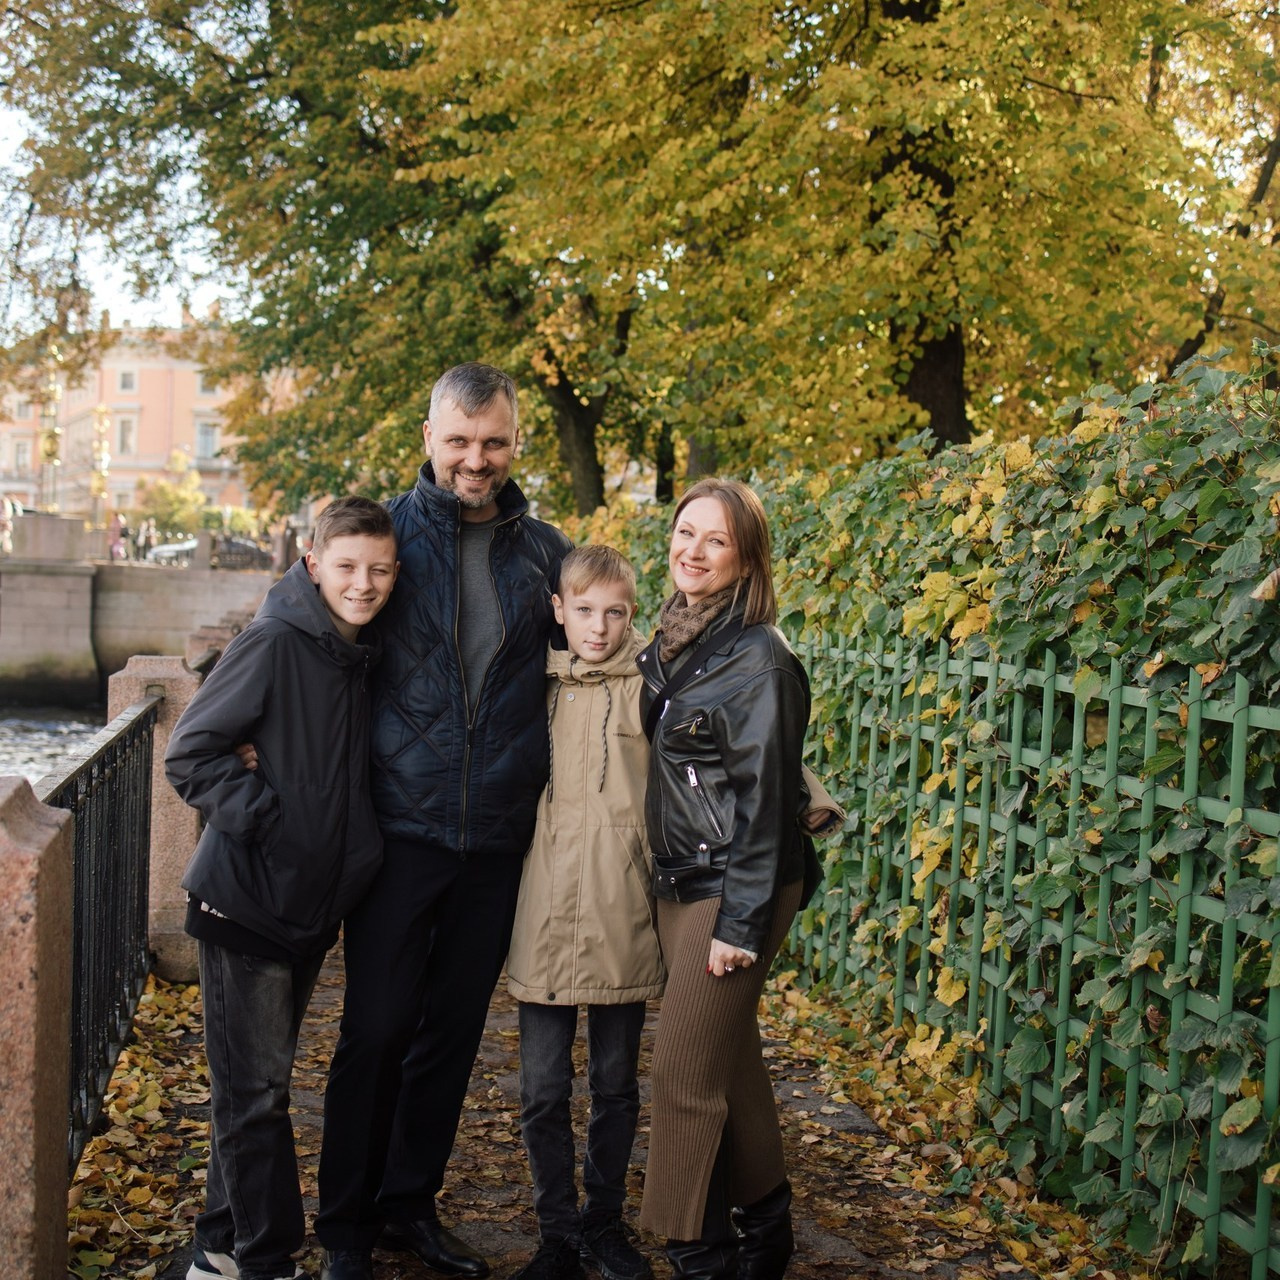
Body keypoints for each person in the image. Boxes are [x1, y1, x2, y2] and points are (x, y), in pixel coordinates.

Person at [317, 363, 572, 1280]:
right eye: (460, 441)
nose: (477, 459)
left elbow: (600, 657)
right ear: (428, 436)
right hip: (398, 831)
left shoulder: (546, 553)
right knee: (377, 1028)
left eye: (494, 442)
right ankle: (343, 1228)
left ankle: (405, 1208)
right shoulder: (383, 539)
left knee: (452, 1036)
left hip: (498, 837)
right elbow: (304, 631)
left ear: (514, 443)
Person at [164, 496, 400, 1280]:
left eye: (377, 570)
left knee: (255, 1092)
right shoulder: (274, 641)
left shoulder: (353, 653)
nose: (362, 584)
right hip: (245, 901)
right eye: (346, 567)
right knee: (255, 1097)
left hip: (304, 905)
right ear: (312, 563)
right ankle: (268, 1260)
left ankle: (219, 1249)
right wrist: (271, 821)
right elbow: (190, 753)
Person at [635, 477, 822, 1280]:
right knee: (727, 1056)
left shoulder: (760, 658)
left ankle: (698, 1251)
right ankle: (769, 1225)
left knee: (681, 1071)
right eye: (685, 533)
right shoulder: (677, 636)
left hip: (734, 886)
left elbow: (766, 806)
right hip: (683, 879)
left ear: (746, 556)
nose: (694, 551)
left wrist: (739, 930)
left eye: (715, 540)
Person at [505, 545, 664, 1280]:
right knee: (541, 1090)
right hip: (541, 907)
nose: (598, 629)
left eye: (615, 614)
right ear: (559, 610)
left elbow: (733, 740)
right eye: (585, 612)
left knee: (615, 1085)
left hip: (622, 908)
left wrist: (806, 800)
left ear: (631, 615)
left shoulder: (654, 684)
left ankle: (604, 1225)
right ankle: (556, 1234)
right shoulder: (529, 683)